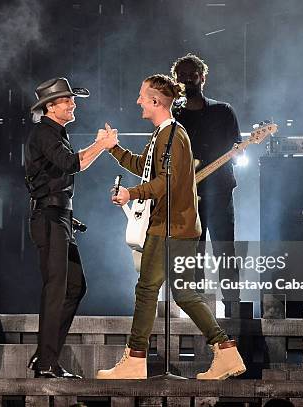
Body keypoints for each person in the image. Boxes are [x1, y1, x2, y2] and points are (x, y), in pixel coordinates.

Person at [96, 74, 245, 380]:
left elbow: (167, 181)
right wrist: (113, 148)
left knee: (148, 290)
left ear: (156, 101)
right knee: (185, 294)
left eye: (142, 96)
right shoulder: (165, 133)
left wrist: (131, 193)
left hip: (169, 227)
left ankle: (135, 359)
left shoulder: (172, 135)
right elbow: (145, 167)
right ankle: (226, 352)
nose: (137, 101)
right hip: (175, 226)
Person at [24, 77, 117, 378]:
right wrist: (101, 145)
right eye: (67, 100)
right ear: (51, 106)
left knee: (75, 286)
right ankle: (47, 362)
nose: (73, 104)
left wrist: (101, 148)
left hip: (61, 218)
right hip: (49, 218)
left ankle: (45, 356)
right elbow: (69, 163)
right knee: (57, 289)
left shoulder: (57, 133)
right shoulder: (43, 133)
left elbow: (68, 167)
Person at [171, 53, 242, 315]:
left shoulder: (223, 111)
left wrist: (238, 152)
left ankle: (233, 307)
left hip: (221, 191)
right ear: (175, 80)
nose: (188, 80)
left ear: (203, 77)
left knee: (225, 248)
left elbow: (237, 146)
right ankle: (198, 308)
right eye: (182, 76)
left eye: (193, 74)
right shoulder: (173, 115)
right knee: (194, 252)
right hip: (188, 195)